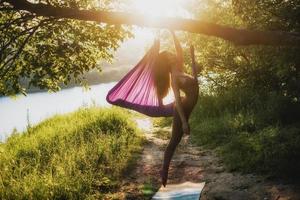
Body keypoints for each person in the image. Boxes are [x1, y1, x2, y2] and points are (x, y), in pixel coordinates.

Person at [152, 31, 199, 187]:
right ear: (166, 62)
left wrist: (173, 31)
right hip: (182, 109)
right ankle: (164, 171)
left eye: (172, 54)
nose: (173, 55)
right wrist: (184, 122)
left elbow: (179, 49)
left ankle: (164, 170)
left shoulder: (180, 68)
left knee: (176, 140)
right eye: (169, 56)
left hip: (188, 105)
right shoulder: (174, 79)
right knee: (174, 140)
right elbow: (178, 102)